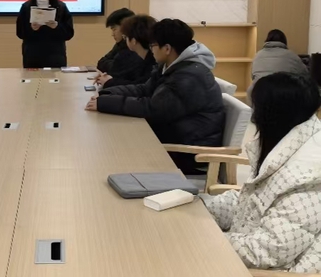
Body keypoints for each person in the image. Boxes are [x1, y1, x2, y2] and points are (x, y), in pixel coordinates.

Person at [203, 73, 321, 273]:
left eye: (257, 109)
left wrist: (207, 239)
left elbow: (268, 251)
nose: (254, 118)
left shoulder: (306, 176)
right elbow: (251, 203)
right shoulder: (285, 148)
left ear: (272, 117)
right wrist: (206, 210)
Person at [86, 19, 225, 174]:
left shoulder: (189, 77)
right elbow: (144, 89)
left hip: (189, 154)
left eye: (153, 45)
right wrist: (106, 94)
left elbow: (153, 109)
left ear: (167, 48)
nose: (151, 49)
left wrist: (105, 103)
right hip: (173, 138)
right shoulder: (172, 66)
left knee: (112, 149)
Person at [16, 0, 74, 68]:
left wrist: (57, 27)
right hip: (32, 56)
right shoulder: (26, 7)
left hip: (56, 56)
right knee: (32, 78)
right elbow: (20, 32)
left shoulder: (61, 7)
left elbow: (69, 33)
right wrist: (31, 29)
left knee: (56, 78)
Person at [96, 14, 157, 89]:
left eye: (125, 37)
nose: (124, 40)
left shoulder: (150, 62)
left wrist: (109, 82)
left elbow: (140, 87)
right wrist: (110, 78)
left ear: (133, 41)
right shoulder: (147, 57)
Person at [247, 29, 308, 98]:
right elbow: (305, 74)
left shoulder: (258, 55)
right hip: (284, 95)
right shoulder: (292, 55)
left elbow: (252, 76)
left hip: (260, 94)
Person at [96, 8, 136, 73]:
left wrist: (114, 65)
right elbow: (101, 62)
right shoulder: (120, 44)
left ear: (125, 28)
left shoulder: (134, 46)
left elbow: (116, 68)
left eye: (114, 29)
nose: (112, 34)